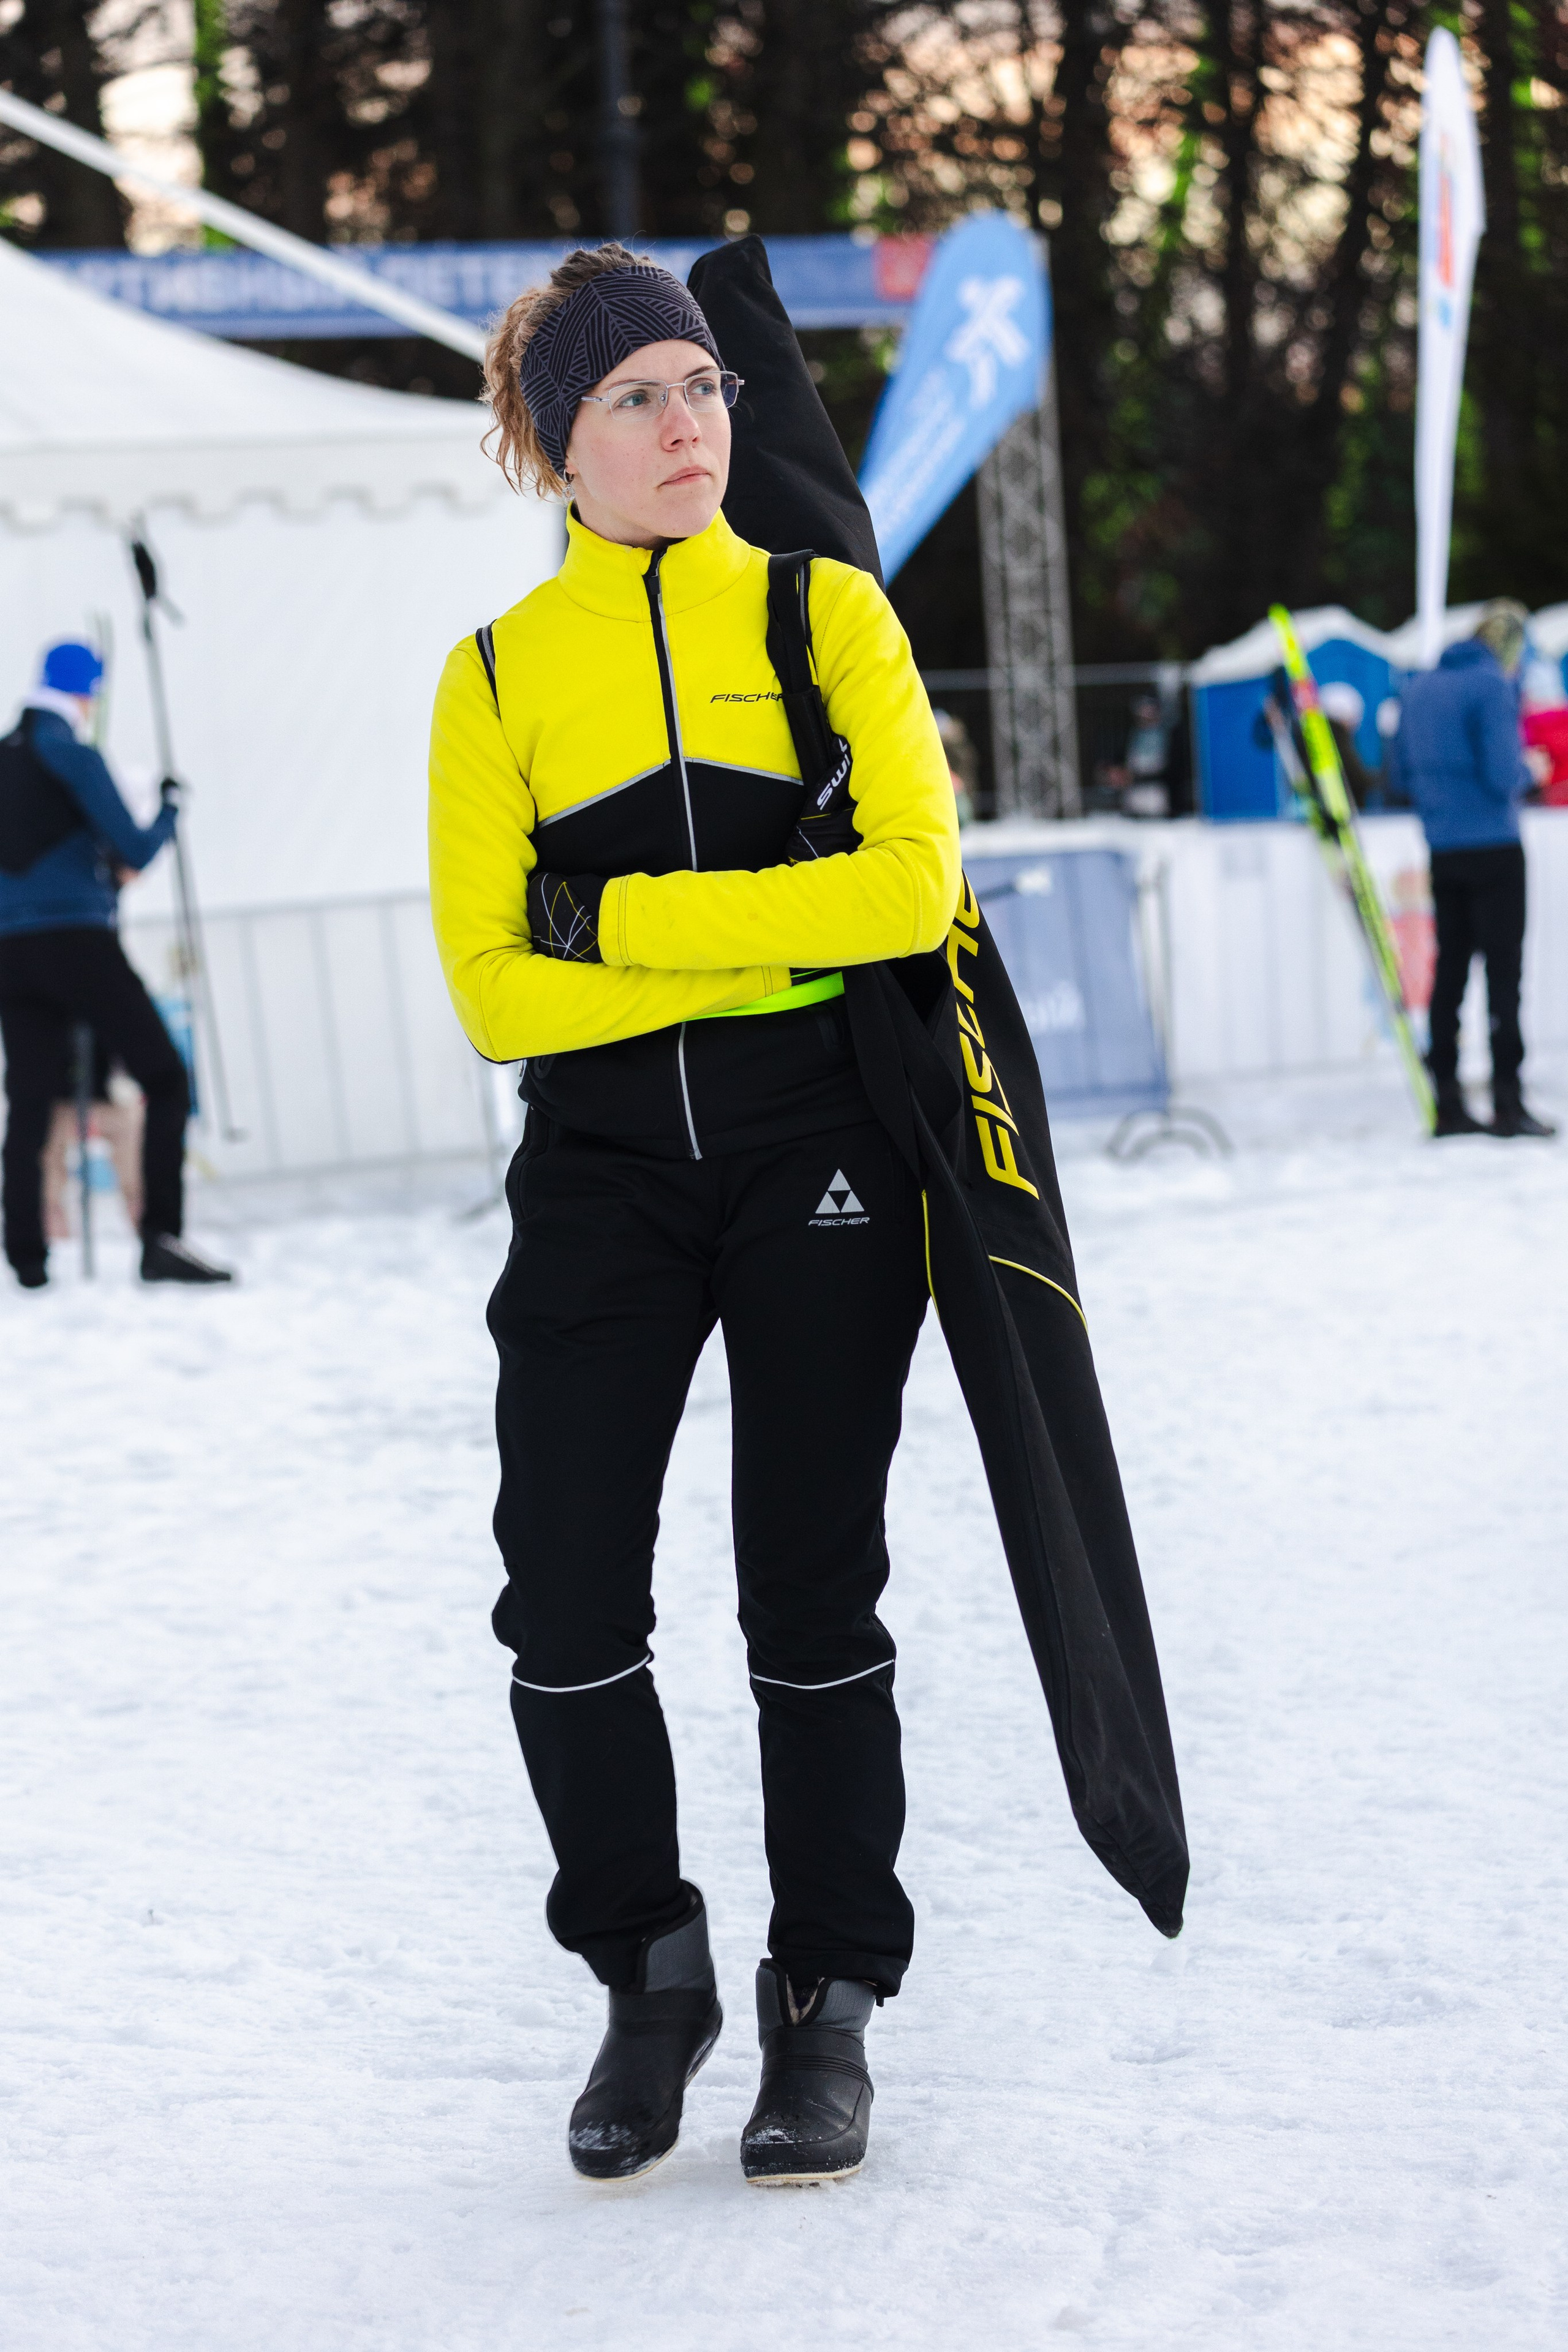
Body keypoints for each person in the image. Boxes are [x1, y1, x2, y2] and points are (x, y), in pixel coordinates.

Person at [428, 244, 959, 2187]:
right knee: (562, 1602)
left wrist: (626, 929)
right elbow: (496, 994)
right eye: (637, 397)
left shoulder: (829, 622)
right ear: (556, 444)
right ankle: (647, 1975)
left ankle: (826, 2000)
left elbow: (900, 894)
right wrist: (762, 945)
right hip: (595, 1176)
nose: (687, 425)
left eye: (707, 388)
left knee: (807, 1596)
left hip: (819, 1150)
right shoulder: (492, 678)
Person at [0, 640, 233, 1284]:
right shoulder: (72, 754)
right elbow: (131, 846)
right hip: (77, 938)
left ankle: (26, 1258)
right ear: (87, 693)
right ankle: (160, 1239)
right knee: (163, 1078)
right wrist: (167, 811)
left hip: (10, 952)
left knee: (28, 1101)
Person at [1385, 601, 1556, 1139]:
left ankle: (1449, 1101)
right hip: (1495, 845)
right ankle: (1508, 1101)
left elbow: (1399, 775)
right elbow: (1503, 773)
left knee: (1450, 974)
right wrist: (1533, 767)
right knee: (1503, 976)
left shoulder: (1419, 687)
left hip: (1443, 846)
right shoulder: (1490, 686)